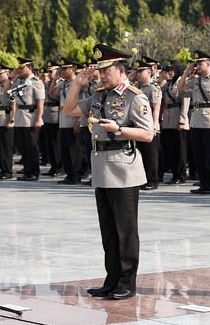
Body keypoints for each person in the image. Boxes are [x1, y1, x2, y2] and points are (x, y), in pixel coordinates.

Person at [63, 44, 154, 300]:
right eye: (100, 72)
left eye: (106, 71)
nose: (101, 76)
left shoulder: (135, 97)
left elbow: (148, 133)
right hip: (102, 168)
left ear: (121, 70)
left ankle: (127, 282)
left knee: (126, 230)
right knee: (109, 230)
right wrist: (77, 84)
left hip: (124, 169)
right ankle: (111, 279)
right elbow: (69, 110)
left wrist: (119, 130)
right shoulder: (99, 96)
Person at [181, 52, 210, 194]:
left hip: (208, 119)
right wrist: (187, 72)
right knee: (198, 154)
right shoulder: (195, 80)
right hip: (195, 119)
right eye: (197, 64)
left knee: (209, 154)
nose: (198, 66)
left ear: (208, 64)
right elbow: (181, 87)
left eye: (200, 64)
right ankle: (203, 183)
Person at [12, 58, 45, 181]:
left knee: (32, 146)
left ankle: (34, 172)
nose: (20, 70)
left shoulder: (36, 82)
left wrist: (39, 118)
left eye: (22, 68)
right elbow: (8, 92)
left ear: (30, 68)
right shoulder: (19, 81)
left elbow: (40, 102)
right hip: (20, 116)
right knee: (23, 146)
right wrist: (13, 76)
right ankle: (27, 170)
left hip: (31, 116)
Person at [133, 59, 162, 190]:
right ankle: (143, 179)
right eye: (138, 71)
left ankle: (153, 180)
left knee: (151, 155)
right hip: (138, 125)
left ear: (149, 72)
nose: (138, 74)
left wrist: (154, 126)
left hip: (149, 125)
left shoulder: (153, 88)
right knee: (141, 153)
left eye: (141, 71)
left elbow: (156, 108)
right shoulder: (136, 88)